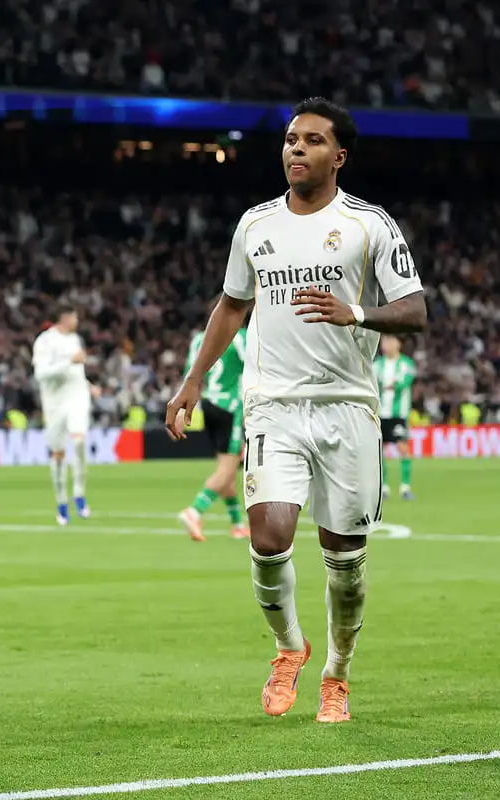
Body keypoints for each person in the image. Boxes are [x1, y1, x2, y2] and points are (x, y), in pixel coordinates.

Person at [165, 98, 426, 723]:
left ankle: (337, 671)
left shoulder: (369, 225)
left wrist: (356, 312)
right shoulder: (255, 225)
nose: (295, 149)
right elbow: (231, 306)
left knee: (345, 565)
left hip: (348, 410)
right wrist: (193, 380)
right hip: (274, 406)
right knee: (268, 537)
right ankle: (289, 649)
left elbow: (415, 310)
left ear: (339, 157)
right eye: (289, 139)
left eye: (311, 140)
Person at [178, 297, 250, 542]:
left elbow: (192, 373)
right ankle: (194, 510)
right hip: (231, 407)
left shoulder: (199, 339)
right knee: (228, 468)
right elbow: (254, 368)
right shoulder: (240, 337)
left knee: (225, 468)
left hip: (209, 403)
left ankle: (238, 525)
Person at [31, 305, 94, 525]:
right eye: (74, 316)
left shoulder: (75, 339)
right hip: (55, 405)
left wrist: (88, 385)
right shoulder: (44, 342)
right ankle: (61, 502)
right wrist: (69, 361)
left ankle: (79, 494)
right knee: (58, 453)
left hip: (77, 399)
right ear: (64, 318)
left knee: (78, 441)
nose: (77, 319)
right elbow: (41, 374)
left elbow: (76, 373)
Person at [373, 335, 417, 500]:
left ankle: (405, 488)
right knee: (379, 451)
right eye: (384, 341)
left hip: (399, 414)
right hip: (379, 413)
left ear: (398, 343)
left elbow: (404, 383)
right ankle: (383, 488)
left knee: (403, 448)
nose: (387, 344)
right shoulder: (376, 365)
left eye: (390, 341)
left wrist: (388, 385)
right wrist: (389, 385)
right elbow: (373, 384)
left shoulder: (407, 364)